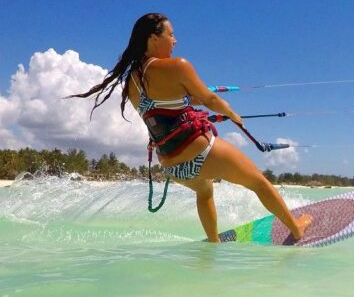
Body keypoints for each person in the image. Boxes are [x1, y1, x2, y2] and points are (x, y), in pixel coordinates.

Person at [69, 13, 312, 242]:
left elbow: (165, 106)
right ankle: (296, 228)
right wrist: (232, 114)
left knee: (205, 192)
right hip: (201, 153)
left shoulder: (131, 81)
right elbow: (210, 100)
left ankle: (213, 242)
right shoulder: (178, 66)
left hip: (172, 167)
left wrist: (190, 99)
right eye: (171, 34)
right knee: (259, 182)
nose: (175, 40)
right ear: (154, 38)